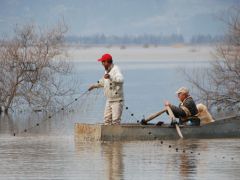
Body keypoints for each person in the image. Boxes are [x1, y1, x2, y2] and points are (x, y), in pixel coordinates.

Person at [88, 53, 124, 125]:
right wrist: (94, 86)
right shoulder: (107, 70)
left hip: (117, 100)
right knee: (107, 120)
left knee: (116, 121)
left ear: (107, 62)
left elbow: (121, 79)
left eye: (103, 62)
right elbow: (104, 81)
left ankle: (115, 135)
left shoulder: (116, 69)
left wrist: (110, 77)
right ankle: (106, 135)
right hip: (109, 99)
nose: (102, 64)